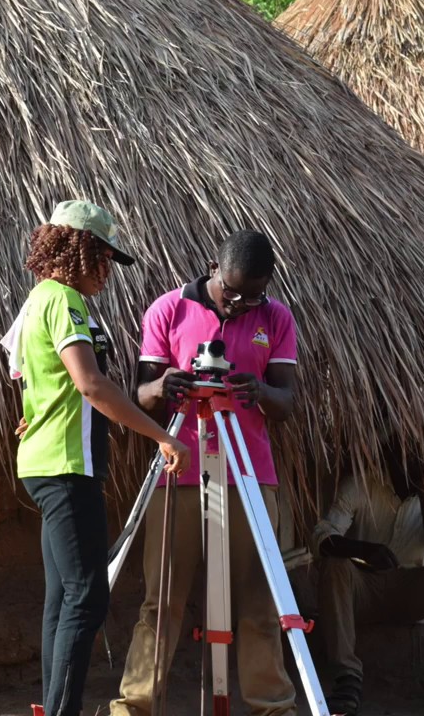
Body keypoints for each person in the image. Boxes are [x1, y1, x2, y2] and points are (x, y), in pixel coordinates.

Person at [3, 200, 190, 716]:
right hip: (65, 464)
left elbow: (30, 374)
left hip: (48, 460)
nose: (109, 270)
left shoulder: (40, 300)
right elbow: (90, 384)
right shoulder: (62, 301)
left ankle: (52, 707)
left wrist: (32, 412)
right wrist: (161, 436)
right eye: (103, 257)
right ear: (79, 249)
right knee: (88, 595)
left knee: (64, 595)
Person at [110, 229, 299, 716]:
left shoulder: (275, 318)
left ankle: (271, 706)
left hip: (249, 475)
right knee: (163, 599)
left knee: (260, 601)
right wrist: (166, 385)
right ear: (215, 269)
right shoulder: (168, 310)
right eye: (233, 292)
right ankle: (135, 705)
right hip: (180, 472)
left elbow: (286, 401)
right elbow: (140, 396)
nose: (240, 304)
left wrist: (256, 389)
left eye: (253, 295)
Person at [311, 429, 424, 716]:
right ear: (390, 458)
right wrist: (365, 550)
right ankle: (347, 681)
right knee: (335, 564)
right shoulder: (361, 484)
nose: (421, 466)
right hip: (365, 589)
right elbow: (321, 538)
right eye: (410, 459)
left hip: (413, 590)